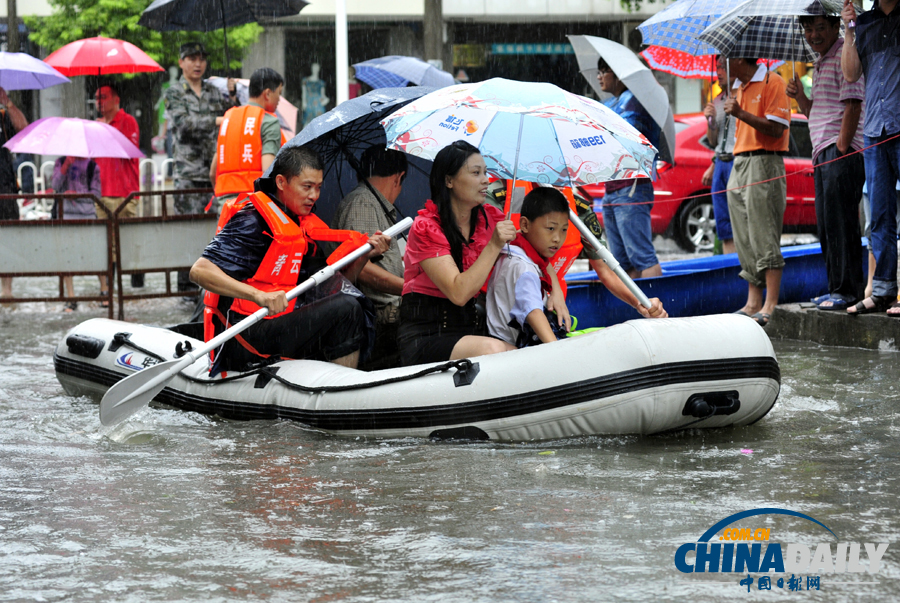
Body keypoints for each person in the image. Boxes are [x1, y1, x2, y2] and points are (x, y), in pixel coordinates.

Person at [189, 145, 390, 374]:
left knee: (352, 302)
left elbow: (337, 287)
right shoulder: (252, 222)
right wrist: (259, 295)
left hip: (279, 322)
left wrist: (364, 255)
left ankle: (341, 379)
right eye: (306, 187)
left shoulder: (301, 224)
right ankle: (338, 391)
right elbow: (199, 271)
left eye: (318, 187)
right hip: (244, 333)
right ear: (282, 182)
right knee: (348, 308)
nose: (314, 196)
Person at [398, 140, 569, 367]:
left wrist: (555, 289)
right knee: (496, 350)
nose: (485, 180)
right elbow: (458, 293)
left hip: (472, 326)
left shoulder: (490, 217)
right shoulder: (426, 228)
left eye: (486, 172)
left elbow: (532, 249)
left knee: (527, 357)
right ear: (449, 180)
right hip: (428, 333)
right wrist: (494, 245)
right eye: (476, 173)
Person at [786, 15, 866, 312]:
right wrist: (801, 98)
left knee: (843, 223)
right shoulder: (820, 63)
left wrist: (842, 149)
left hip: (838, 152)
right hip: (822, 152)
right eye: (808, 29)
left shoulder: (845, 54)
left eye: (820, 28)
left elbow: (853, 104)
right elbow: (816, 113)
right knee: (827, 223)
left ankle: (849, 291)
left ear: (835, 27)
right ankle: (835, 288)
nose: (813, 35)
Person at [723, 57, 792, 328]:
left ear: (739, 58)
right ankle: (753, 301)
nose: (722, 67)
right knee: (743, 235)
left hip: (765, 161)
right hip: (740, 162)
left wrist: (740, 113)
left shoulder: (773, 81)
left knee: (764, 232)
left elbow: (777, 129)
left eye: (724, 61)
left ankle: (770, 303)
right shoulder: (739, 87)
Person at [842, 0, 900, 316]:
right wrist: (849, 30)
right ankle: (882, 291)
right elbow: (851, 74)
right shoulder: (863, 23)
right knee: (878, 214)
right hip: (875, 130)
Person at [165, 42, 237, 293]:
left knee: (214, 231)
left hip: (215, 171)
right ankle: (185, 288)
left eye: (201, 59)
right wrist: (217, 120)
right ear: (181, 62)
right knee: (186, 231)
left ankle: (210, 286)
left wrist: (232, 95)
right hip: (188, 173)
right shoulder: (174, 92)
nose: (198, 63)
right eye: (192, 58)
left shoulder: (213, 91)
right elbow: (183, 124)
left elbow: (233, 116)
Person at [330, 145, 407, 370]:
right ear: (398, 177)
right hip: (378, 316)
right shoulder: (363, 203)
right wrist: (408, 288)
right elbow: (360, 268)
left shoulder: (371, 202)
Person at [596, 58, 663, 279]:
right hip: (614, 187)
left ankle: (655, 307)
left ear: (618, 75)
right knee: (622, 261)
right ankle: (638, 306)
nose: (599, 77)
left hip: (631, 187)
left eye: (604, 71)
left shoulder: (634, 102)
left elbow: (623, 138)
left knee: (642, 257)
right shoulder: (613, 103)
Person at [210, 67, 286, 213]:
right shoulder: (268, 121)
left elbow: (213, 172)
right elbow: (267, 172)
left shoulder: (228, 118)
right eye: (279, 93)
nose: (279, 100)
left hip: (225, 206)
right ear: (268, 93)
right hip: (254, 205)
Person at [94, 82, 143, 290]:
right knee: (104, 244)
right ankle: (110, 288)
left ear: (116, 100)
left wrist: (106, 131)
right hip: (101, 192)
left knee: (127, 241)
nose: (99, 102)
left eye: (103, 97)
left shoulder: (128, 121)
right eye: (97, 98)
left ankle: (134, 286)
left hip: (124, 192)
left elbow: (128, 150)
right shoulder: (96, 127)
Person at [51, 156, 102, 311]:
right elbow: (55, 185)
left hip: (87, 215)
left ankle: (104, 290)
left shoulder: (93, 166)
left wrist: (78, 194)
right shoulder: (60, 162)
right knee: (68, 256)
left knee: (96, 253)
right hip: (66, 214)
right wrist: (65, 166)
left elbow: (96, 194)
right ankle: (71, 297)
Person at [702, 56, 738, 255]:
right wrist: (711, 120)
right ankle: (728, 261)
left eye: (723, 67)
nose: (719, 72)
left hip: (736, 161)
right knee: (723, 223)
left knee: (739, 219)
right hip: (721, 162)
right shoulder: (717, 100)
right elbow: (714, 140)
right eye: (717, 67)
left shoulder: (742, 95)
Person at [0, 87, 29, 300]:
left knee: (8, 236)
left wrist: (6, 101)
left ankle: (6, 290)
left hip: (5, 185)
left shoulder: (3, 117)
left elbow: (24, 128)